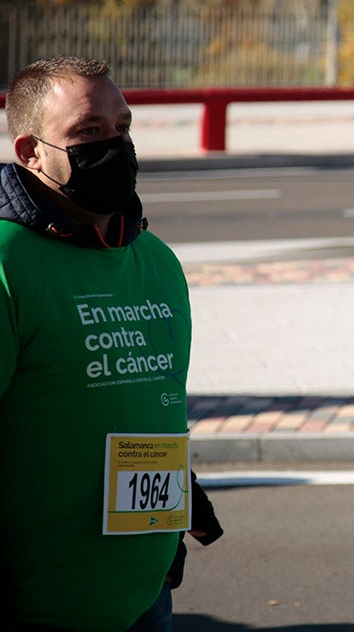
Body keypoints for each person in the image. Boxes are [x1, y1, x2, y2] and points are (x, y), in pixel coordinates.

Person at [0, 56, 221, 631]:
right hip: (34, 600)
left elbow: (154, 405)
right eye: (88, 133)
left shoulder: (156, 259)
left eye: (121, 129)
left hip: (144, 591)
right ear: (30, 151)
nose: (115, 147)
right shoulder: (6, 262)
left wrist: (180, 501)